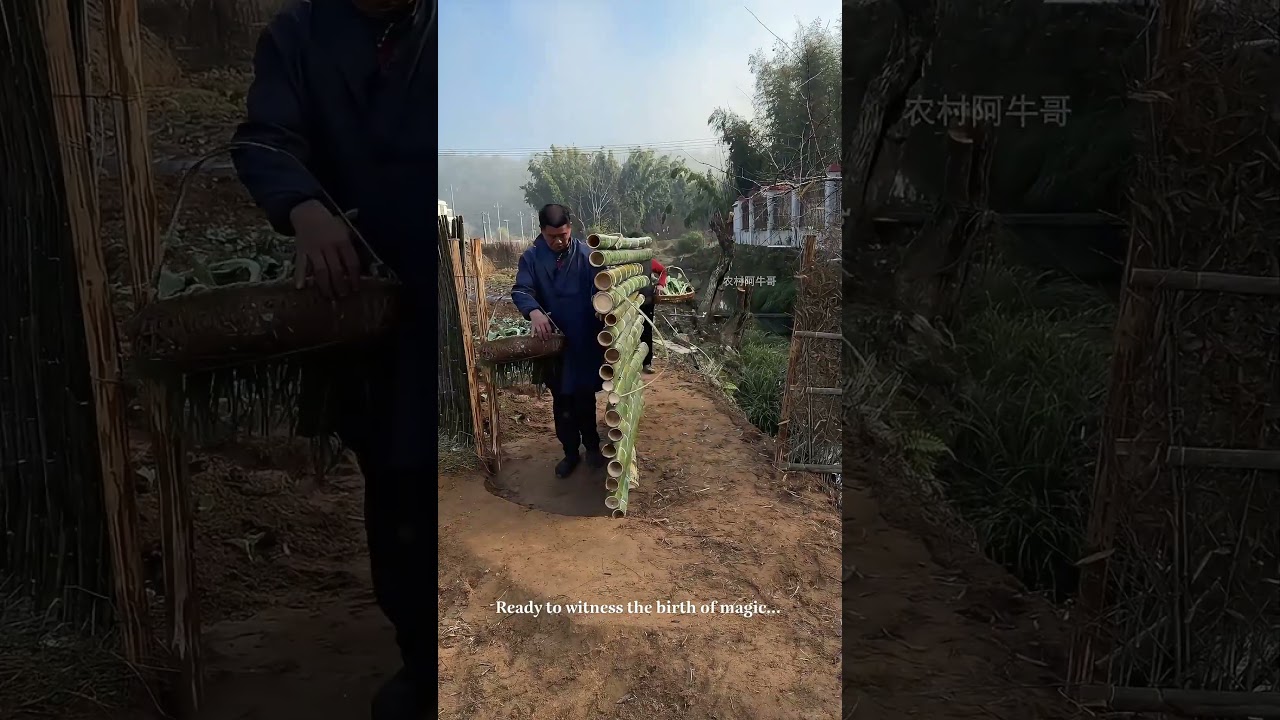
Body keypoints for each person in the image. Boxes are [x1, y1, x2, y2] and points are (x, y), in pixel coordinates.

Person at [229, 1, 430, 718]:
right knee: (394, 472)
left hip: (441, 293)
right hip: (362, 296)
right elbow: (265, 140)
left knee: (444, 467)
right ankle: (419, 654)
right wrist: (305, 211)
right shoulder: (298, 37)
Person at [511, 205, 607, 477]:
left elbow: (603, 287)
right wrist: (534, 312)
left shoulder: (588, 255)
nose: (558, 240)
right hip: (552, 343)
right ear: (542, 231)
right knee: (562, 401)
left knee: (585, 398)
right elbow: (521, 289)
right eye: (552, 236)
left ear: (570, 228)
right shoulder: (531, 258)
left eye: (563, 235)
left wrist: (604, 306)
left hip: (583, 340)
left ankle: (592, 447)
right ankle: (569, 453)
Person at [640, 258, 667, 373]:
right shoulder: (624, 259)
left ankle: (646, 363)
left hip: (646, 301)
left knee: (646, 332)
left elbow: (663, 271)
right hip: (628, 303)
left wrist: (661, 284)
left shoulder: (647, 260)